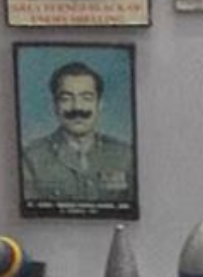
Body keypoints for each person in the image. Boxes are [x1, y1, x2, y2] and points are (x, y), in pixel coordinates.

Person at [21, 62, 134, 203]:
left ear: (99, 105)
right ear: (55, 106)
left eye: (86, 98)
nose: (77, 107)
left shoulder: (125, 155)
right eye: (66, 99)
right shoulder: (32, 158)